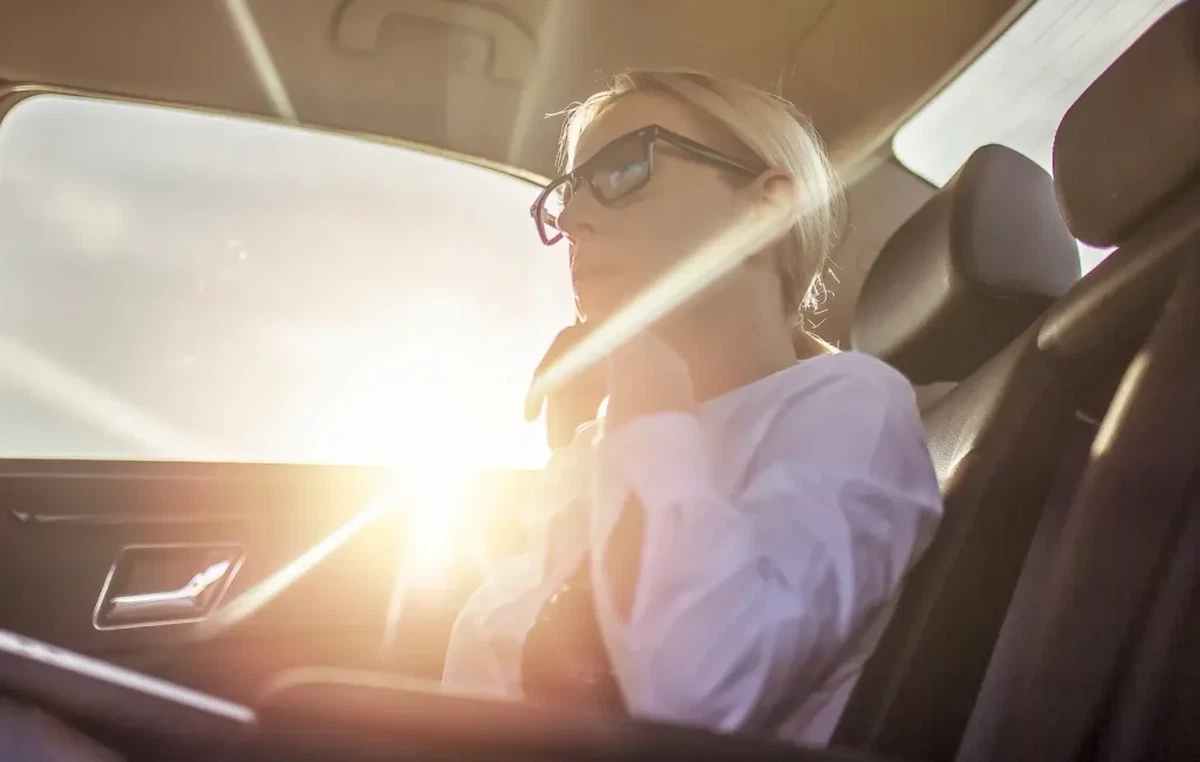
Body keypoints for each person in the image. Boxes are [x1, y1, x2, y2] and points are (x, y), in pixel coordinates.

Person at [440, 69, 943, 747]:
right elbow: (478, 695)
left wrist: (642, 379)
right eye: (565, 197)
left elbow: (701, 695)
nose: (575, 219)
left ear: (765, 211)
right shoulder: (593, 454)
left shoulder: (853, 406)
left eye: (623, 168)